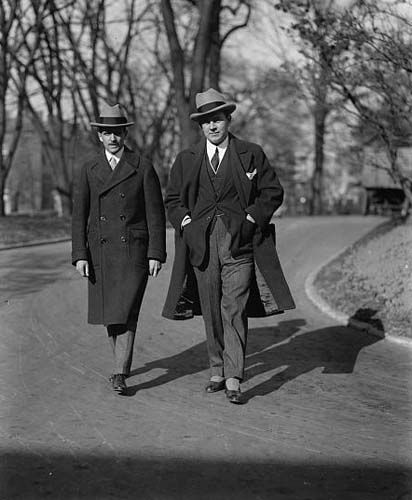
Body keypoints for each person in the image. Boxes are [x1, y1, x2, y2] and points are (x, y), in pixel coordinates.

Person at [162, 88, 295, 404]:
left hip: (240, 245)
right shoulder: (187, 159)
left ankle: (234, 377)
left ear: (228, 119)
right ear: (200, 126)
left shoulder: (251, 153)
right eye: (206, 121)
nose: (212, 126)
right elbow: (172, 200)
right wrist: (185, 224)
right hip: (202, 246)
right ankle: (217, 369)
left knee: (233, 307)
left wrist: (251, 219)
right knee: (210, 308)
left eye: (217, 119)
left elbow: (272, 192)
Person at [72, 103, 166, 395]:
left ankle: (119, 372)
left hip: (133, 251)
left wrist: (156, 253)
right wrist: (79, 254)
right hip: (101, 252)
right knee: (111, 313)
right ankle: (119, 366)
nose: (112, 138)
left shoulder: (142, 167)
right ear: (99, 135)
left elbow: (155, 213)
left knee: (126, 311)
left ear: (125, 134)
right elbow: (79, 214)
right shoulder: (89, 169)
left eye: (117, 132)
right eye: (107, 133)